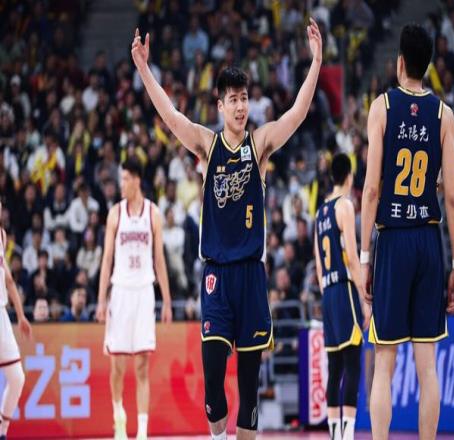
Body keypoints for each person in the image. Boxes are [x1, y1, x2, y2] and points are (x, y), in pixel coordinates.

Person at [132, 16, 322, 440]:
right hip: (217, 276)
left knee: (249, 390)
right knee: (214, 385)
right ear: (220, 106)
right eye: (233, 99)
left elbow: (297, 113)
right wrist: (143, 68)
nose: (240, 106)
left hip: (251, 276)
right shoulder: (207, 144)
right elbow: (171, 116)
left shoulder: (260, 144)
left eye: (244, 98)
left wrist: (315, 63)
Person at [360, 24, 454, 440]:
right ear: (429, 64)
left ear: (399, 62)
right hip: (428, 239)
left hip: (393, 236)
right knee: (428, 367)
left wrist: (364, 257)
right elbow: (452, 196)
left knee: (385, 363)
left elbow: (370, 190)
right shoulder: (444, 115)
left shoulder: (381, 107)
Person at [96, 157, 173, 440]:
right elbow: (106, 259)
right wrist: (101, 299)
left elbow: (159, 260)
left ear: (137, 180)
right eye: (121, 179)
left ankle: (141, 433)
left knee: (142, 365)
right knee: (117, 366)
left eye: (126, 179)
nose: (122, 184)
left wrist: (167, 301)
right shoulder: (115, 214)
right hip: (120, 292)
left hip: (143, 292)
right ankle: (119, 415)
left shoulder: (153, 213)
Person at [314, 154, 371, 440]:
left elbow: (318, 263)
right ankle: (347, 434)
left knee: (335, 367)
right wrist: (364, 299)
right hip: (345, 288)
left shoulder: (320, 212)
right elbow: (352, 255)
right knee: (352, 365)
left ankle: (335, 433)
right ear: (349, 176)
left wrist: (328, 296)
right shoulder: (345, 205)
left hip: (328, 292)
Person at [0, 202, 32, 439]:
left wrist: (20, 315)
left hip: (1, 313)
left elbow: (9, 279)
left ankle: (2, 430)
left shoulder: (1, 235)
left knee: (17, 378)